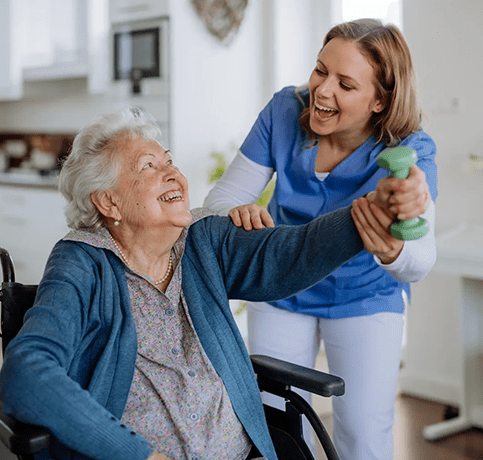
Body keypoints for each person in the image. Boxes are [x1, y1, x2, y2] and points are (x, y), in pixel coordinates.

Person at [0, 108, 425, 460]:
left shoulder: (203, 239)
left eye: (169, 161)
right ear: (108, 201)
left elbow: (291, 254)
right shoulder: (82, 262)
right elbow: (26, 373)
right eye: (149, 167)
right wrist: (140, 456)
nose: (172, 174)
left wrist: (369, 212)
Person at [203, 18, 437, 460]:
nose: (322, 91)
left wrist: (395, 248)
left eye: (346, 84)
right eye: (320, 70)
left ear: (379, 101)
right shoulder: (284, 112)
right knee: (277, 425)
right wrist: (238, 213)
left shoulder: (411, 150)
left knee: (363, 438)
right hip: (282, 290)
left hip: (364, 295)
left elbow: (422, 258)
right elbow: (221, 200)